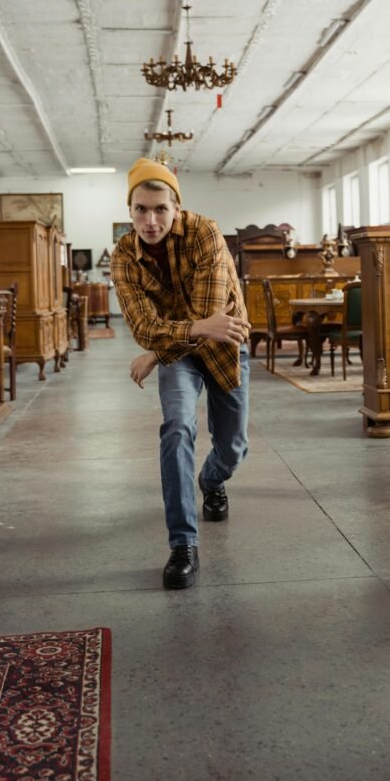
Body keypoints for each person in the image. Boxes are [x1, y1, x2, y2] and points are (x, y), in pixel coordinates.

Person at [111, 159, 251, 590]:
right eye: (140, 210)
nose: (150, 221)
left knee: (233, 446)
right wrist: (173, 340)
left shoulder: (205, 232)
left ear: (176, 207)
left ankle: (211, 480)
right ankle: (183, 544)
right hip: (180, 354)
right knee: (176, 428)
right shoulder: (123, 256)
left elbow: (212, 317)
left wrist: (156, 349)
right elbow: (142, 326)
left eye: (159, 210)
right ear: (130, 209)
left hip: (226, 345)